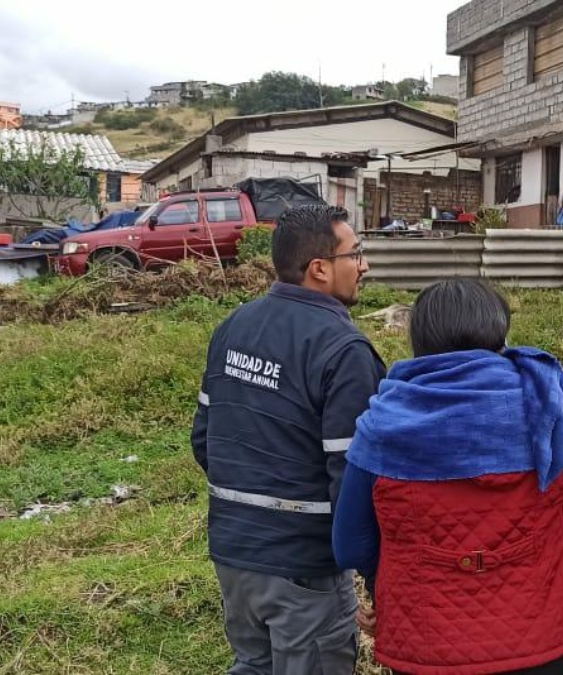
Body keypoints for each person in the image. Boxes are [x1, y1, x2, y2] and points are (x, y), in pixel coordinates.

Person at [333, 279, 563, 675]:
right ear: (498, 329)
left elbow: (350, 544)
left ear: (420, 338)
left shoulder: (383, 424)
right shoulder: (551, 399)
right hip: (540, 635)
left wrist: (383, 584)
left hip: (425, 642)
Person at [191, 204, 384, 675]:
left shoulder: (232, 327)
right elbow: (354, 480)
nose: (364, 265)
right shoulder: (344, 350)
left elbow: (204, 438)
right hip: (303, 567)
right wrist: (381, 579)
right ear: (319, 268)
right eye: (354, 254)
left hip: (235, 555)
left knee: (253, 665)